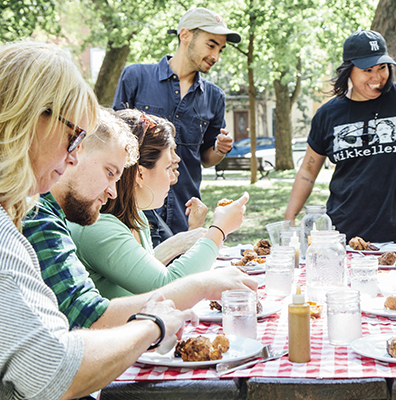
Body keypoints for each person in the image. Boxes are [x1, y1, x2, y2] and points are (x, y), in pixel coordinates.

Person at [0, 41, 196, 399]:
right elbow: (56, 372)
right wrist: (152, 325)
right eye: (74, 137)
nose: (74, 157)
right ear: (27, 117)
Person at [23, 107, 254, 330]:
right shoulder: (74, 222)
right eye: (109, 172)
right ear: (75, 153)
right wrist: (217, 234)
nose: (175, 177)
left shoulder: (133, 219)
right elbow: (89, 315)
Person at [283, 30, 396, 257]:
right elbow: (307, 170)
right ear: (349, 71)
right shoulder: (328, 115)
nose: (377, 78)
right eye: (367, 70)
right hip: (346, 235)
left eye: (382, 68)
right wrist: (289, 219)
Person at [69, 109, 245, 299]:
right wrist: (219, 230)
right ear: (140, 174)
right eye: (168, 167)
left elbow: (146, 273)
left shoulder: (138, 218)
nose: (173, 178)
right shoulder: (98, 226)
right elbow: (166, 287)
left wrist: (186, 240)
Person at [113, 6, 238, 243]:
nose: (216, 56)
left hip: (186, 211)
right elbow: (114, 144)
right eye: (211, 45)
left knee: (183, 277)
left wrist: (220, 149)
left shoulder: (215, 96)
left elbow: (205, 158)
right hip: (134, 212)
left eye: (220, 49)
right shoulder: (136, 77)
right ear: (185, 35)